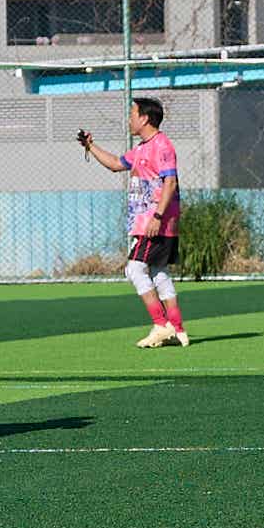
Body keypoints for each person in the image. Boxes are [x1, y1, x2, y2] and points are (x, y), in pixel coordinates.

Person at [79, 97, 192, 346]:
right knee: (158, 271)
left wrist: (157, 217)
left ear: (144, 118)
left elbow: (170, 182)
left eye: (132, 115)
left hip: (154, 222)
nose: (129, 120)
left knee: (134, 269)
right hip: (152, 221)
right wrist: (90, 146)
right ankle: (177, 329)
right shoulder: (141, 148)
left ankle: (161, 325)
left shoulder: (162, 145)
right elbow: (115, 164)